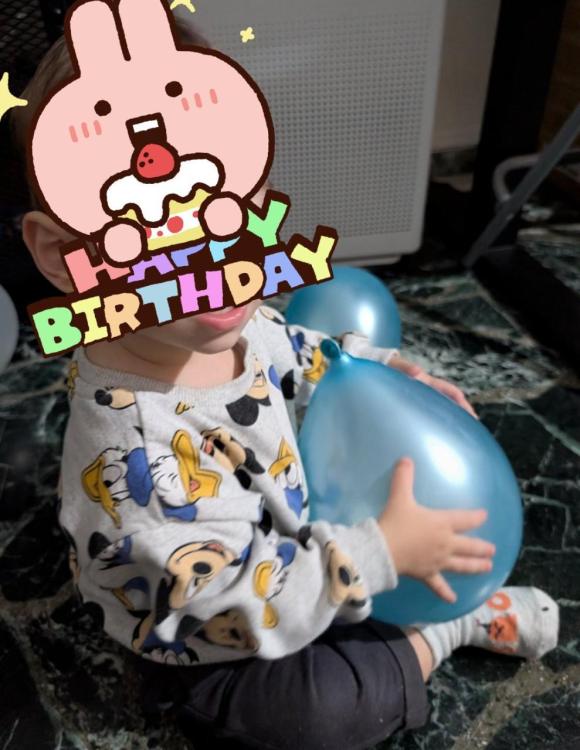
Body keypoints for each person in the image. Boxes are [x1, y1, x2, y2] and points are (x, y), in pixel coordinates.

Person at [12, 10, 559, 750]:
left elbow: (300, 350)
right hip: (211, 631)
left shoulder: (219, 320)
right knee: (316, 710)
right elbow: (225, 601)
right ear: (63, 255)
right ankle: (446, 630)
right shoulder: (141, 464)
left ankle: (380, 578)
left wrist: (388, 372)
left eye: (231, 206)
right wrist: (376, 554)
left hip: (291, 537)